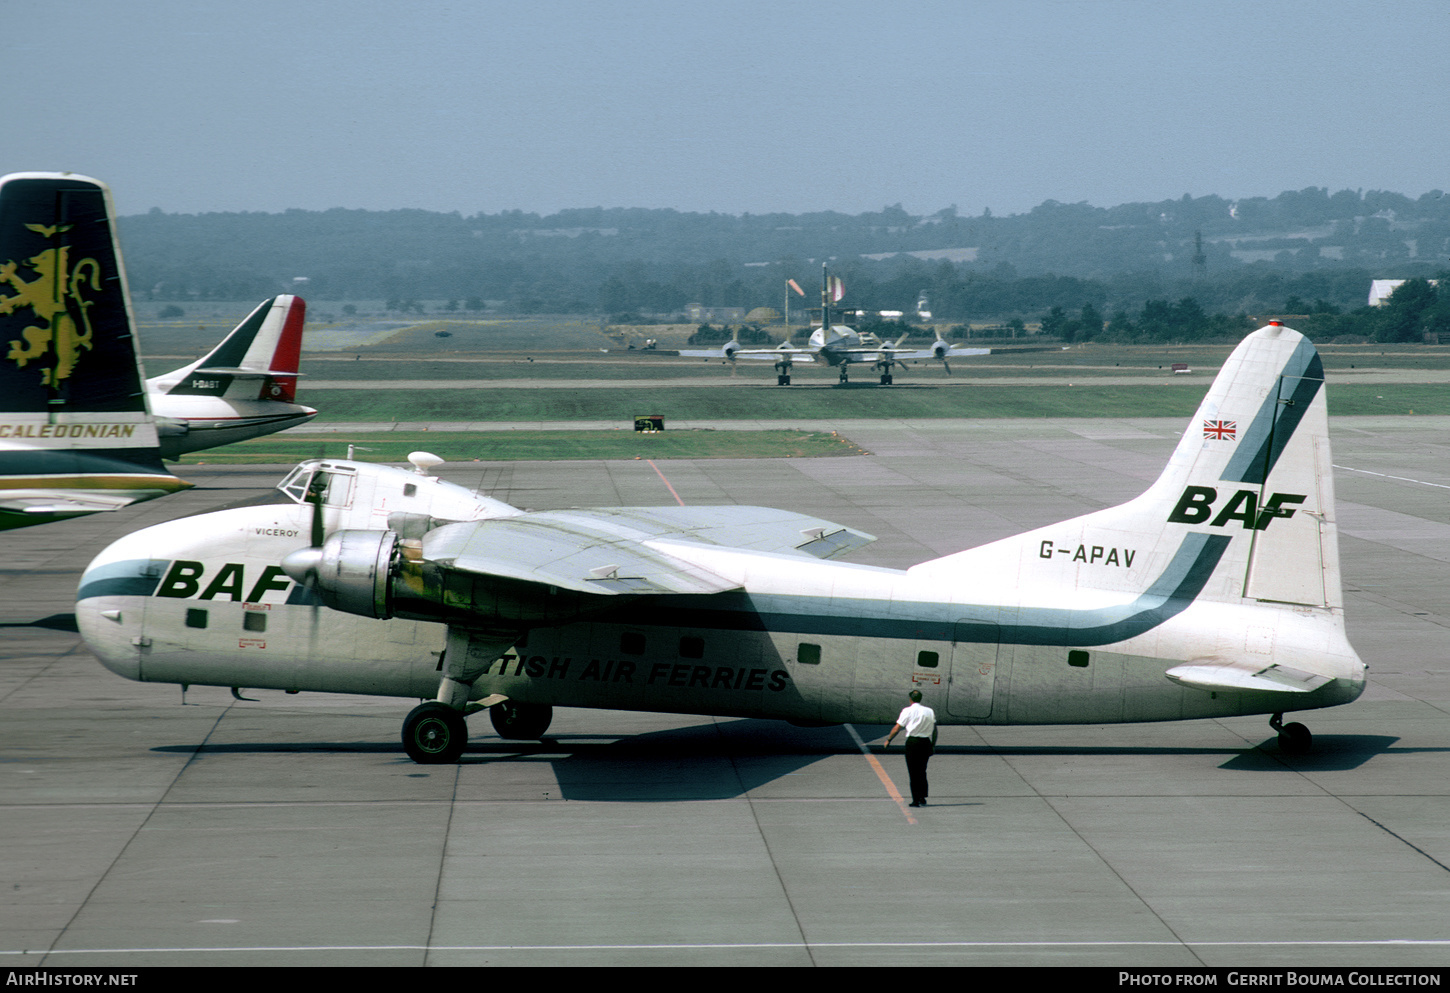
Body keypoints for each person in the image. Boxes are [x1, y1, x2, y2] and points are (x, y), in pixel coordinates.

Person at [883, 689, 936, 807]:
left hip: (913, 743)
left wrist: (889, 740)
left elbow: (897, 728)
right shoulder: (929, 711)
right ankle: (922, 797)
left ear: (910, 699)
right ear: (921, 699)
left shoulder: (907, 711)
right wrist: (933, 745)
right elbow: (935, 729)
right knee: (922, 771)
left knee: (913, 772)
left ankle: (915, 800)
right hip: (925, 742)